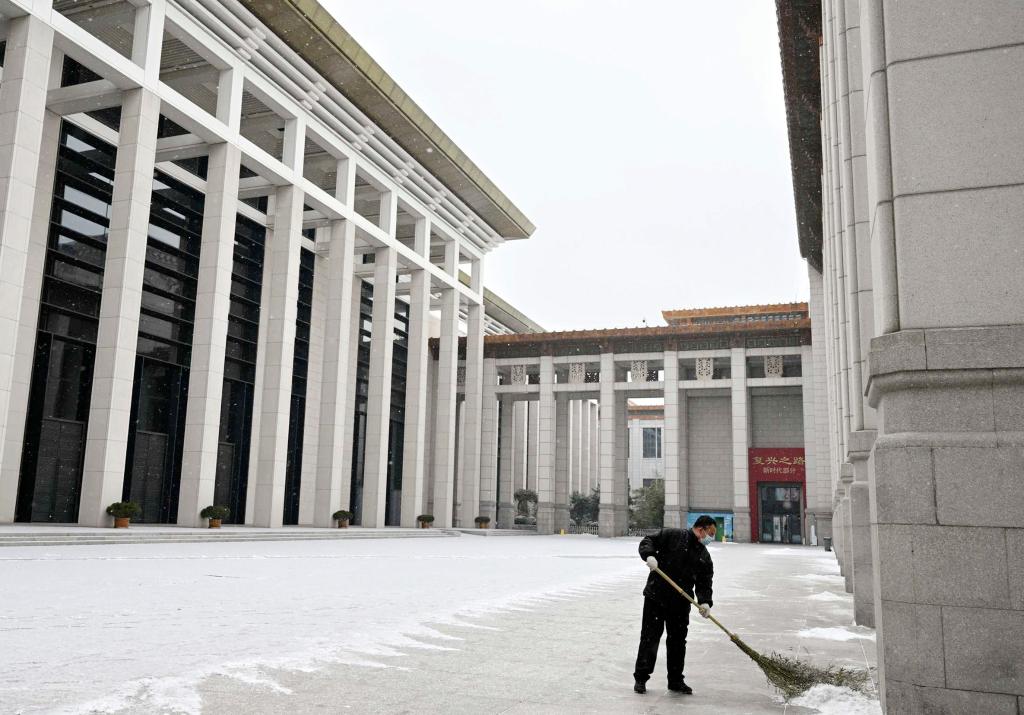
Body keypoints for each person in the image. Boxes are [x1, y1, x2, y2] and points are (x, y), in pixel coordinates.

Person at [632, 514, 716, 695]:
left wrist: (705, 602)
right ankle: (641, 678)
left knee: (678, 642)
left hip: (680, 602)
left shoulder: (703, 555)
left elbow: (705, 581)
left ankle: (676, 680)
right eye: (710, 533)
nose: (711, 538)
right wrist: (649, 556)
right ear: (700, 529)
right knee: (650, 638)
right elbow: (648, 541)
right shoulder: (674, 535)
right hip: (657, 596)